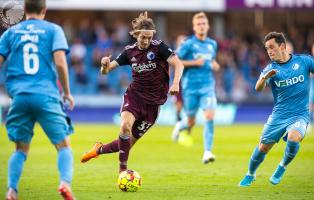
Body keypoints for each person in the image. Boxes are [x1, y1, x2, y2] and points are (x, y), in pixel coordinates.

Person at [80, 12, 183, 173]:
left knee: (126, 143)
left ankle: (98, 150)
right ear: (136, 35)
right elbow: (106, 71)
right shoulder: (129, 52)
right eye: (143, 37)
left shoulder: (159, 47)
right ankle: (123, 172)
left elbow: (178, 64)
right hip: (134, 97)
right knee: (125, 127)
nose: (147, 40)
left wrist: (175, 83)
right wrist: (104, 64)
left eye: (149, 37)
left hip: (153, 106)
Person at [0, 0, 75, 199]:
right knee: (63, 145)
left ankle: (11, 190)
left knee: (20, 149)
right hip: (46, 95)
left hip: (19, 98)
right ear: (44, 10)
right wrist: (66, 92)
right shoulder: (53, 30)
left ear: (24, 10)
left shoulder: (10, 33)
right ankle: (65, 184)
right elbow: (60, 62)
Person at [239, 32, 314, 186]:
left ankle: (282, 167)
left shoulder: (304, 61)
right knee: (263, 147)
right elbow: (258, 88)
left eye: (272, 47)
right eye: (267, 49)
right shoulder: (270, 69)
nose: (270, 51)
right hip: (279, 115)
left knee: (293, 139)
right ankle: (250, 174)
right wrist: (264, 78)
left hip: (300, 114)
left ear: (282, 46)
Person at [171, 12, 220, 163]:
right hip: (190, 87)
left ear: (208, 26)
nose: (201, 26)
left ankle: (207, 152)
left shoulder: (212, 44)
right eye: (198, 24)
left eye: (203, 23)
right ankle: (181, 125)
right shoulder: (188, 44)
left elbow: (212, 61)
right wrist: (194, 63)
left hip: (207, 86)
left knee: (209, 116)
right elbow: (174, 60)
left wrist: (214, 65)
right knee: (191, 121)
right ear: (194, 27)